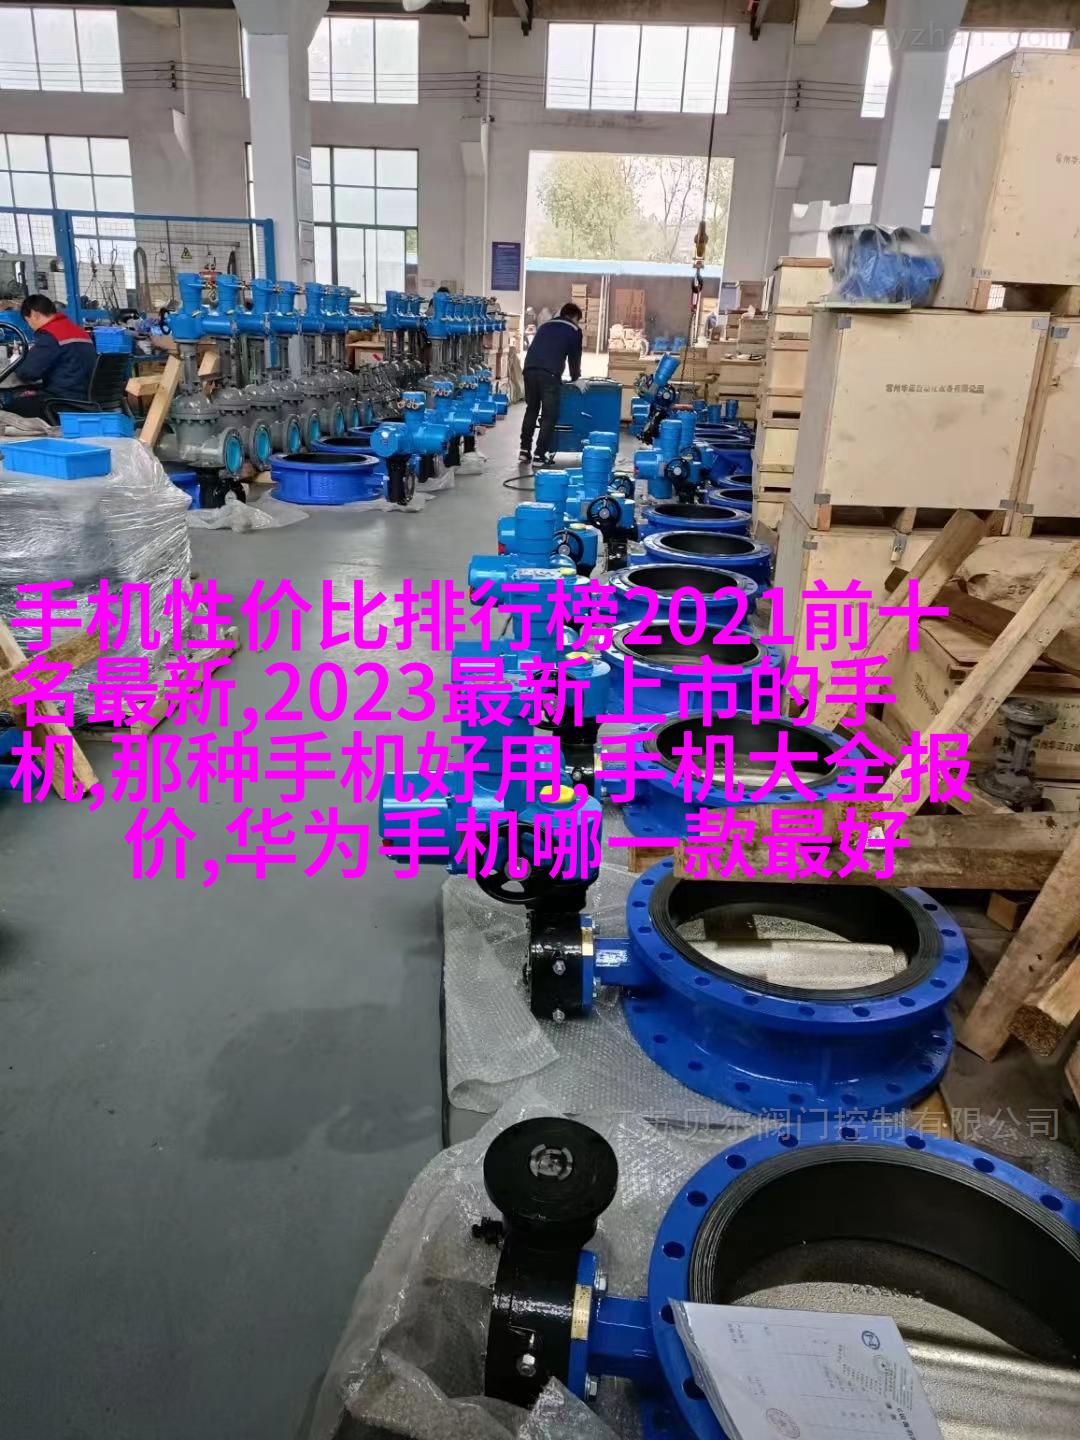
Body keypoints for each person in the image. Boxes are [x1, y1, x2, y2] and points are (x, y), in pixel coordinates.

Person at [0, 294, 96, 418]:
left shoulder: (51, 335)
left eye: (28, 322)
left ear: (34, 314)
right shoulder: (79, 331)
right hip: (86, 400)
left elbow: (28, 372)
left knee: (9, 406)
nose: (31, 327)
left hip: (63, 403)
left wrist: (16, 362)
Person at [519, 301, 587, 466]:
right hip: (549, 374)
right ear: (574, 317)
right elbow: (574, 356)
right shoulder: (574, 330)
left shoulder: (545, 326)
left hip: (529, 370)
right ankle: (539, 455)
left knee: (531, 409)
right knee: (549, 415)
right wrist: (576, 378)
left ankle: (524, 450)